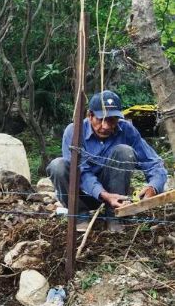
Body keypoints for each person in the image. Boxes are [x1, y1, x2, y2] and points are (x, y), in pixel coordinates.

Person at [47, 90, 167, 232]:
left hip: (116, 194)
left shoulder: (127, 130)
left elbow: (153, 163)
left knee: (124, 151)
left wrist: (153, 187)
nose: (105, 126)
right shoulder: (74, 131)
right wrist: (104, 195)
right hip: (81, 194)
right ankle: (80, 216)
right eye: (100, 119)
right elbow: (82, 172)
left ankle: (114, 216)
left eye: (111, 120)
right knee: (57, 166)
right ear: (90, 115)